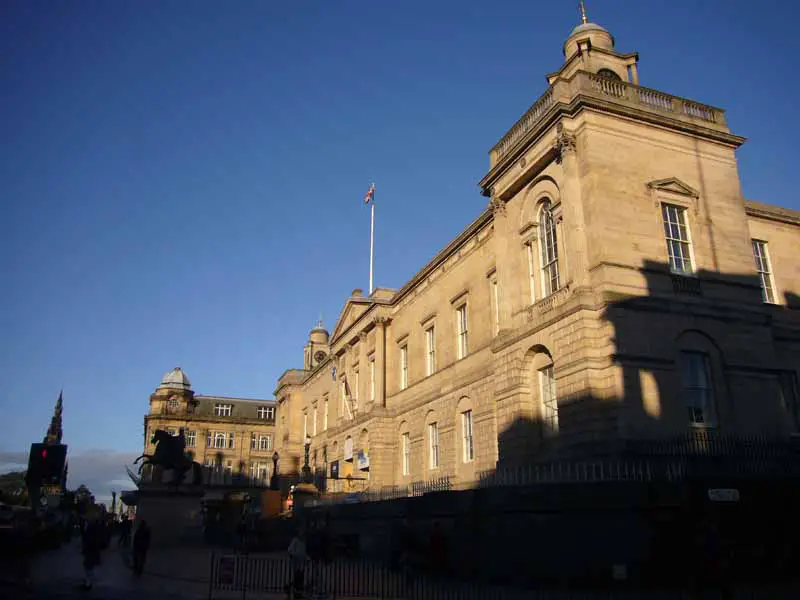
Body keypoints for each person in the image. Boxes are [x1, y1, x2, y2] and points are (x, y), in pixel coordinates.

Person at [80, 516, 105, 590]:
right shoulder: (96, 529)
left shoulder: (92, 529)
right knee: (89, 567)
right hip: (92, 550)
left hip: (91, 550)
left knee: (88, 567)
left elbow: (88, 539)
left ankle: (88, 583)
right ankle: (88, 582)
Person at [287, 529, 308, 593]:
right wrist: (294, 555)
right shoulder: (295, 540)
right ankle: (295, 589)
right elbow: (290, 549)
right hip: (296, 560)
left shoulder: (304, 541)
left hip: (301, 561)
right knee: (296, 575)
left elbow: (304, 551)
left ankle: (298, 589)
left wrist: (306, 558)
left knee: (300, 575)